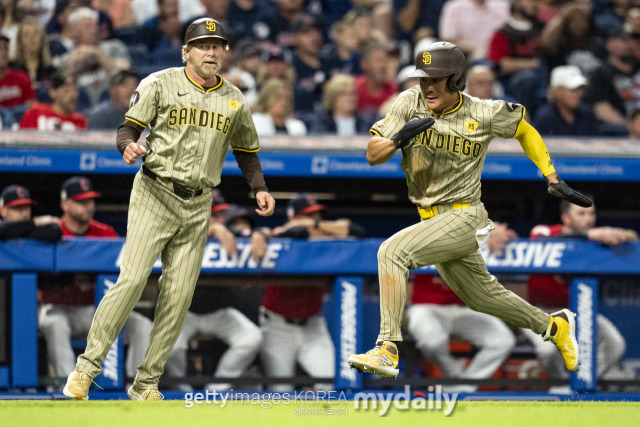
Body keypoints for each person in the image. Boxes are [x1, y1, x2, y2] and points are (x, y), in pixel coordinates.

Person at [347, 41, 590, 379]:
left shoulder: (483, 111)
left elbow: (524, 129)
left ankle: (387, 347)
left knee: (392, 252)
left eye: (437, 79)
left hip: (465, 214)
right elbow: (373, 155)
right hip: (431, 217)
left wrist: (550, 175)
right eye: (423, 78)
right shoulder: (408, 102)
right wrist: (398, 139)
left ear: (456, 79)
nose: (428, 86)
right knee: (483, 297)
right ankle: (554, 326)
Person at [63, 17, 275, 401]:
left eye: (217, 45)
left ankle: (146, 383)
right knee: (131, 281)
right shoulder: (159, 83)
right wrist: (127, 146)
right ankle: (85, 369)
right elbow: (128, 129)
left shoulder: (234, 99)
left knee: (177, 297)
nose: (211, 51)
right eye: (202, 45)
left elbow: (247, 151)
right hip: (155, 193)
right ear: (186, 52)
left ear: (225, 53)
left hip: (198, 204)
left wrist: (258, 188)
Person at [38, 176, 151, 386]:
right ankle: (68, 385)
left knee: (141, 325)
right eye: (80, 201)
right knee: (54, 322)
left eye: (89, 200)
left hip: (95, 310)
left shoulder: (105, 233)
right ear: (65, 204)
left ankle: (134, 386)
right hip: (61, 309)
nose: (87, 206)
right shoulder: (51, 231)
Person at [261, 193, 365, 391]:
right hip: (278, 326)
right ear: (292, 217)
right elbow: (296, 233)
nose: (315, 219)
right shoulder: (279, 233)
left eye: (317, 215)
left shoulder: (324, 240)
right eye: (308, 215)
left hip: (313, 326)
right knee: (280, 391)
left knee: (329, 384)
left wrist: (317, 228)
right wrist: (332, 228)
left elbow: (357, 231)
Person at [524, 198, 634, 381]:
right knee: (548, 350)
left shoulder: (596, 240)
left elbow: (632, 237)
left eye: (591, 213)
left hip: (576, 311)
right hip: (540, 311)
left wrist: (619, 233)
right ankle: (558, 384)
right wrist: (589, 236)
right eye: (581, 213)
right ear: (566, 218)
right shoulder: (546, 231)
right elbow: (540, 240)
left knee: (615, 344)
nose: (589, 219)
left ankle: (579, 383)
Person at [165, 200, 263, 392]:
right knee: (168, 345)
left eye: (220, 215)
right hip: (184, 313)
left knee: (252, 337)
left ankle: (216, 390)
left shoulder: (229, 236)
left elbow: (270, 233)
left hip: (219, 313)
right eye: (213, 215)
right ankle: (182, 391)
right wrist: (212, 230)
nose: (219, 220)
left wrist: (260, 234)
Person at [407, 224, 517, 392]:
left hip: (466, 308)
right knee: (432, 342)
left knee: (502, 340)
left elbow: (511, 237)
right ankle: (454, 376)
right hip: (428, 307)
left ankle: (464, 386)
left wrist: (500, 232)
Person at [534, 65, 603, 136]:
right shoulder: (546, 117)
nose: (578, 94)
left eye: (580, 89)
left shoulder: (588, 114)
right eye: (573, 90)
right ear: (557, 91)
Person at [19, 71, 87, 131]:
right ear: (53, 93)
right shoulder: (36, 112)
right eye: (66, 91)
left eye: (75, 90)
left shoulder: (81, 121)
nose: (73, 95)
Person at [307, 74, 372, 135]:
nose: (351, 98)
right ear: (332, 97)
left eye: (353, 93)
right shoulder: (321, 122)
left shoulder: (366, 123)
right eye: (344, 94)